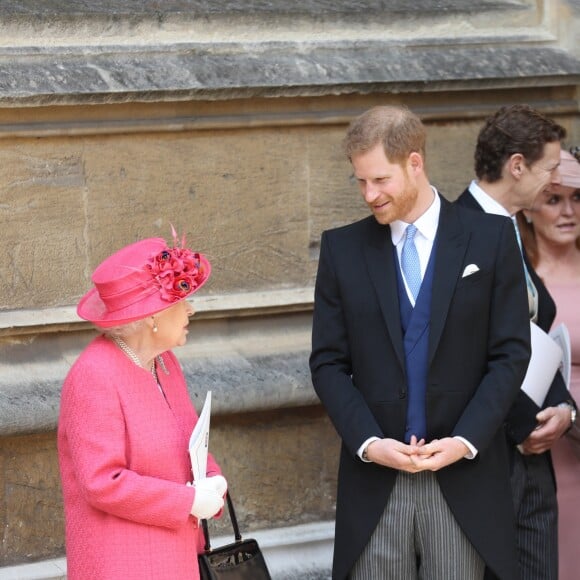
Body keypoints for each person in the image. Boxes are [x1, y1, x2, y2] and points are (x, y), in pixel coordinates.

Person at [309, 105, 531, 580]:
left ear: (415, 162)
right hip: (375, 484)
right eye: (361, 182)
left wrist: (465, 441)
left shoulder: (490, 239)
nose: (370, 194)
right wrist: (369, 443)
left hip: (464, 478)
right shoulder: (342, 249)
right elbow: (327, 363)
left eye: (380, 180)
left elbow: (510, 354)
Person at [58, 232, 227, 579]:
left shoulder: (164, 362)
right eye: (182, 301)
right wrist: (188, 502)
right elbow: (102, 481)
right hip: (123, 563)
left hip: (175, 557)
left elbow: (191, 437)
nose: (191, 309)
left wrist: (212, 477)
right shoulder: (93, 376)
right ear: (152, 316)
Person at [456, 105, 576, 580]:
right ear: (518, 166)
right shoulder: (453, 232)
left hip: (535, 465)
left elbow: (538, 335)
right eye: (549, 169)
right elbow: (461, 353)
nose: (553, 182)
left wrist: (563, 408)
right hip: (486, 462)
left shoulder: (513, 229)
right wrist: (521, 425)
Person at [517, 148, 580, 580]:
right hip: (545, 439)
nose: (569, 211)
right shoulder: (517, 276)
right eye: (555, 199)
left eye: (578, 199)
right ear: (528, 208)